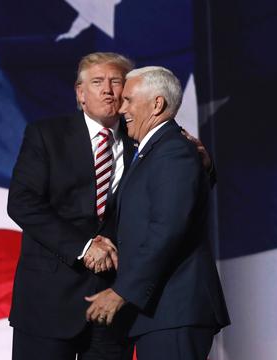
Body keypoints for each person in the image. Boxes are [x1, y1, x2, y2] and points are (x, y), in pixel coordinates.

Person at [85, 66, 231, 359]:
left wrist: (121, 292)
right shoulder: (153, 151)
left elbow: (167, 230)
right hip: (162, 311)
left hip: (175, 308)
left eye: (128, 100)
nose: (121, 108)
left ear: (157, 104)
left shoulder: (173, 151)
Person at [7, 52, 136, 360]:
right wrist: (84, 246)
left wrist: (206, 164)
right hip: (48, 301)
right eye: (97, 82)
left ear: (128, 92)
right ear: (80, 94)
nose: (107, 90)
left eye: (115, 81)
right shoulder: (46, 135)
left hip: (114, 303)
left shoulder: (142, 144)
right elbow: (22, 203)